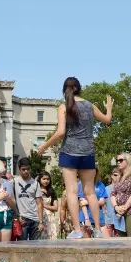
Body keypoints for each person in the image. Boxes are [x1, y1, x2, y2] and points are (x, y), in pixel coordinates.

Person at [38, 77, 113, 239]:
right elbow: (107, 120)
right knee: (90, 192)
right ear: (80, 88)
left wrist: (44, 145)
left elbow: (61, 132)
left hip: (69, 153)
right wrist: (109, 108)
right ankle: (98, 230)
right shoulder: (89, 105)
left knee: (72, 192)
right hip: (88, 152)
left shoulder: (64, 107)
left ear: (65, 90)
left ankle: (78, 230)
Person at [111, 153, 131, 237]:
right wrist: (116, 207)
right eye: (117, 160)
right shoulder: (119, 176)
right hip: (119, 214)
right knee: (122, 242)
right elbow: (113, 194)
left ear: (128, 161)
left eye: (121, 160)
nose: (118, 162)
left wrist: (123, 209)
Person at [12, 158, 44, 241]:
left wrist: (40, 222)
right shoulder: (14, 181)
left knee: (36, 247)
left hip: (35, 219)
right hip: (22, 219)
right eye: (23, 169)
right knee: (22, 247)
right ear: (19, 169)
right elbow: (11, 201)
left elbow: (39, 203)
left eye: (28, 169)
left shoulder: (35, 183)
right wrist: (16, 216)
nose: (26, 171)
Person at [78, 167, 108, 237]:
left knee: (105, 240)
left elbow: (102, 201)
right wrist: (86, 218)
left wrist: (88, 202)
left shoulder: (100, 184)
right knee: (87, 244)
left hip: (99, 218)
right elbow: (82, 202)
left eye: (93, 171)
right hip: (85, 217)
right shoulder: (80, 184)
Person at [38, 171, 59, 240]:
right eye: (44, 179)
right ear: (39, 179)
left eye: (48, 179)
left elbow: (56, 208)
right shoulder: (36, 190)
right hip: (38, 216)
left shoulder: (52, 192)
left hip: (50, 218)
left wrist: (43, 205)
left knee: (51, 237)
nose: (46, 181)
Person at [104, 169, 121, 236]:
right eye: (115, 175)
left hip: (119, 219)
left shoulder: (122, 189)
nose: (117, 177)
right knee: (107, 242)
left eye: (119, 175)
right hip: (108, 219)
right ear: (111, 176)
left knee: (120, 242)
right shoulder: (106, 189)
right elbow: (103, 205)